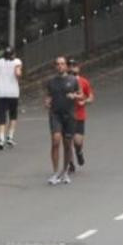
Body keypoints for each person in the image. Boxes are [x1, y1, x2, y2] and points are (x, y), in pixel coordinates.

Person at [44, 56, 82, 185]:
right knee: (55, 140)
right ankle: (55, 173)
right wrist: (47, 102)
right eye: (57, 64)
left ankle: (65, 172)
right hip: (55, 114)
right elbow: (48, 96)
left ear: (66, 66)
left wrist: (74, 95)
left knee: (67, 144)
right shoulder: (51, 82)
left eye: (62, 64)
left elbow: (81, 94)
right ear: (55, 67)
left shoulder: (73, 80)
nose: (60, 66)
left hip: (69, 115)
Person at [0, 46, 23, 150]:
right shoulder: (17, 61)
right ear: (13, 54)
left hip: (0, 93)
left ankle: (1, 139)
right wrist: (18, 76)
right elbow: (18, 73)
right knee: (13, 115)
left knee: (1, 117)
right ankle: (10, 137)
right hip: (13, 93)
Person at [68, 59, 93, 172]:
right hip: (66, 115)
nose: (72, 68)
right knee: (67, 141)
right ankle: (70, 163)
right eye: (70, 66)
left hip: (79, 115)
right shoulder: (63, 82)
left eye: (74, 65)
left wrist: (85, 102)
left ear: (78, 68)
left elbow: (91, 97)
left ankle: (79, 151)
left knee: (77, 142)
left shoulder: (84, 82)